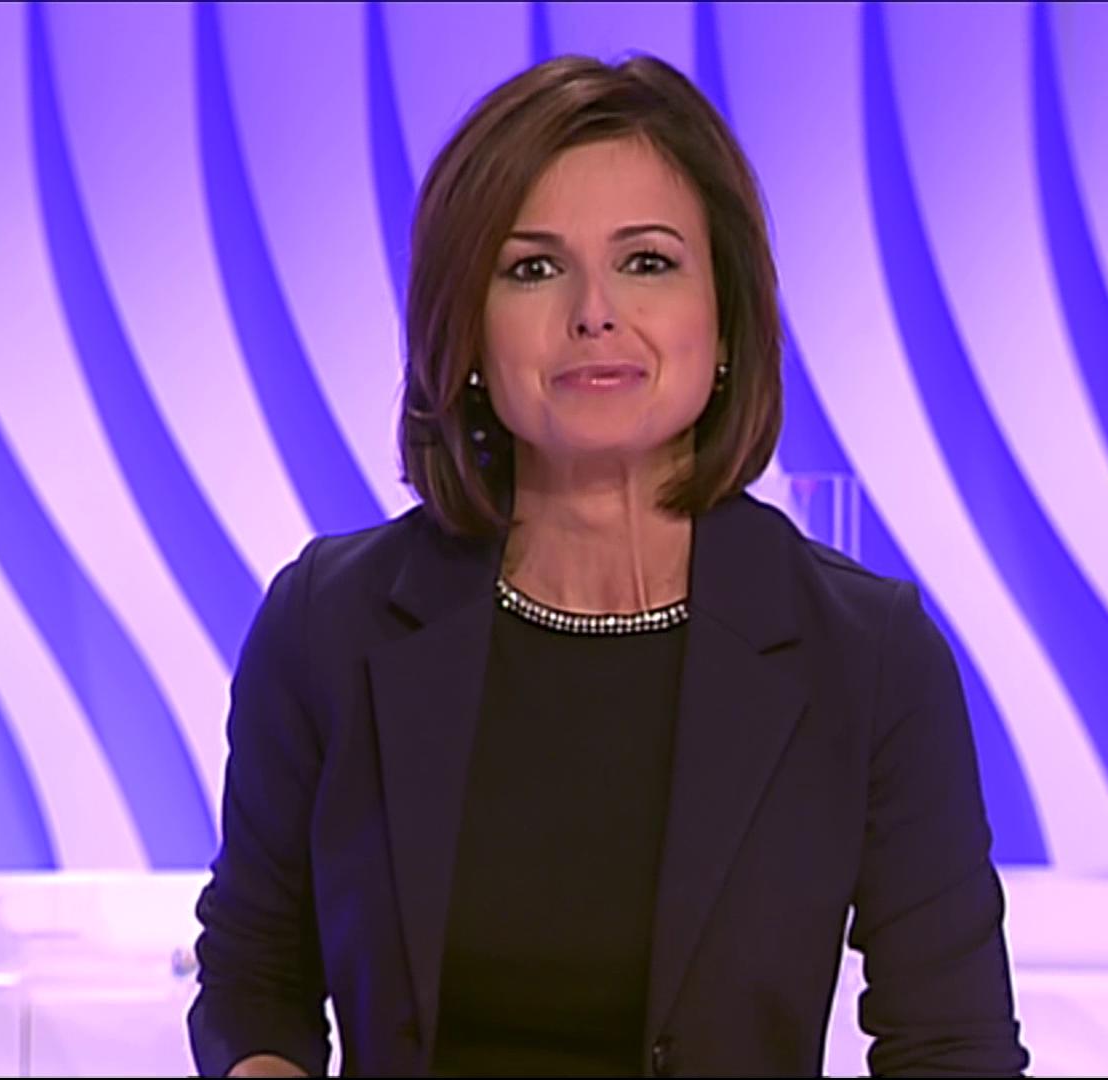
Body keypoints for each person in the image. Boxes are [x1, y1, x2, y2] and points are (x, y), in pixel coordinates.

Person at [188, 53, 1028, 1078]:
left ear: (724, 319)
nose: (595, 312)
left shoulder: (867, 655)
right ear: (465, 333)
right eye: (533, 269)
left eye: (647, 262)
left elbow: (951, 1046)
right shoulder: (329, 621)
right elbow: (255, 975)